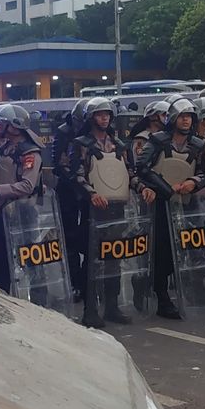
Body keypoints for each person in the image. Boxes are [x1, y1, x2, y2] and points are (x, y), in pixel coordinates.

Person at [65, 99, 156, 327]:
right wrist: (91, 193)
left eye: (107, 114)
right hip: (92, 210)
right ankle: (90, 309)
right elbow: (75, 175)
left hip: (116, 208)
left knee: (114, 257)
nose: (104, 118)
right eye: (99, 114)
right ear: (90, 117)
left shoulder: (119, 145)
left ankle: (112, 306)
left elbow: (129, 173)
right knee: (92, 260)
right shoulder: (80, 143)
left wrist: (142, 187)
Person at [136, 98, 205, 319]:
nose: (186, 120)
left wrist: (193, 183)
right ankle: (161, 297)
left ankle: (188, 291)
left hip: (186, 204)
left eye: (190, 117)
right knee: (162, 252)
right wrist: (165, 189)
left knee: (189, 250)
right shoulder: (157, 141)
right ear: (173, 118)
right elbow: (142, 167)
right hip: (160, 204)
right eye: (182, 116)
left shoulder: (198, 144)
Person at [0, 104, 43, 294]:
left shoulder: (29, 152)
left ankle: (39, 304)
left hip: (24, 214)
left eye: (2, 122)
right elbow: (1, 178)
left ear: (14, 126)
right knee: (0, 264)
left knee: (31, 263)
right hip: (2, 214)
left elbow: (27, 186)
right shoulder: (5, 148)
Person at [51, 100, 88, 301]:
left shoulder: (97, 134)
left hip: (90, 191)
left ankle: (86, 281)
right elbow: (58, 163)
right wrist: (76, 181)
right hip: (69, 192)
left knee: (90, 238)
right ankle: (75, 283)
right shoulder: (64, 131)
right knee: (70, 240)